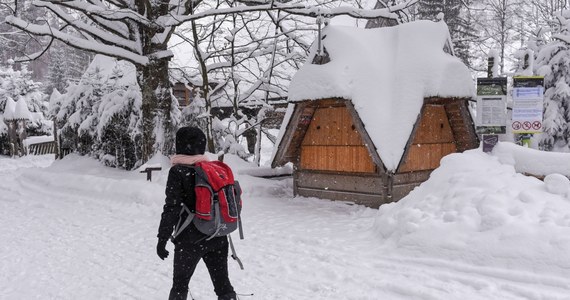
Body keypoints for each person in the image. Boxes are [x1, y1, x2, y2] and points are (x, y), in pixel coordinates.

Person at [157, 126, 237, 300]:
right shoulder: (212, 169)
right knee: (223, 284)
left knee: (180, 284)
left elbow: (172, 207)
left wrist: (162, 238)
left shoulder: (178, 171)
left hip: (190, 239)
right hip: (218, 234)